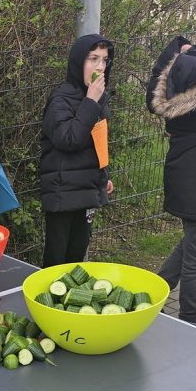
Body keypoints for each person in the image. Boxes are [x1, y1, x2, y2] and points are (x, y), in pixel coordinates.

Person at [39, 34, 115, 267]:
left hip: (87, 189)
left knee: (76, 259)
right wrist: (90, 102)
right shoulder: (60, 99)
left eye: (104, 60)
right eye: (93, 59)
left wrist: (103, 175)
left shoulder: (97, 98)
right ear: (78, 61)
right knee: (56, 261)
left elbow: (96, 140)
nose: (100, 66)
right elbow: (69, 139)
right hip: (63, 192)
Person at [146, 36, 196, 327]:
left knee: (194, 242)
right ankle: (192, 319)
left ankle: (152, 293)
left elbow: (152, 98)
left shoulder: (181, 65)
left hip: (183, 168)